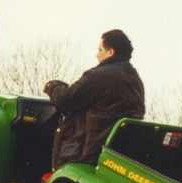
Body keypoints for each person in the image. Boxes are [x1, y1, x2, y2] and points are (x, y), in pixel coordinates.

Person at [43, 29, 145, 169]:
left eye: (100, 50)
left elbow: (66, 100)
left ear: (110, 52)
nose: (97, 55)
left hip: (89, 151)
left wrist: (51, 86)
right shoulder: (135, 80)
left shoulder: (99, 76)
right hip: (115, 151)